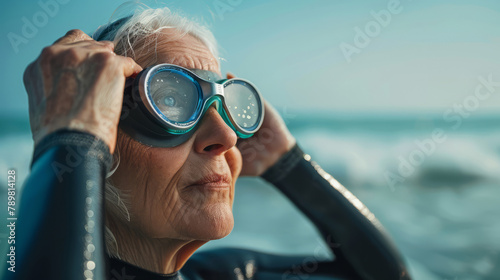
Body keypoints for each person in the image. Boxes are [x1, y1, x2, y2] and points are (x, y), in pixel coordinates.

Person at [3, 6, 411, 280]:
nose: (227, 136)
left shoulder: (223, 274)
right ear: (101, 138)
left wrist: (286, 163)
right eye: (169, 100)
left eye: (229, 107)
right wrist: (71, 137)